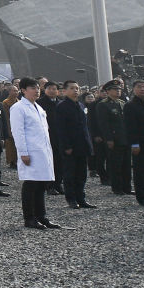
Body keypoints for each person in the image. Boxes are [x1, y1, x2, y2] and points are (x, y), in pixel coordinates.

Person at [11, 77, 60, 230]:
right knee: (31, 184)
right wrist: (23, 152)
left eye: (38, 87)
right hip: (30, 151)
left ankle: (41, 216)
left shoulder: (38, 107)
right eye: (32, 87)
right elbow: (17, 132)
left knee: (41, 184)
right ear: (23, 90)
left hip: (42, 151)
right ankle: (29, 218)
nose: (36, 90)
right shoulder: (19, 108)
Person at [55, 79, 95, 209]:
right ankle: (71, 199)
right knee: (70, 174)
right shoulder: (62, 106)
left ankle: (81, 198)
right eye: (72, 88)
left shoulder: (81, 105)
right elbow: (61, 129)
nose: (75, 90)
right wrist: (66, 146)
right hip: (70, 147)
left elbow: (85, 127)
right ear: (65, 91)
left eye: (77, 88)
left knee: (81, 174)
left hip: (82, 145)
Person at [98, 79, 131, 195]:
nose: (118, 91)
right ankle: (117, 188)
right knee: (115, 165)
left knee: (126, 164)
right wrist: (109, 139)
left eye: (119, 89)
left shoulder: (122, 103)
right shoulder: (103, 105)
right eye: (115, 89)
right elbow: (104, 124)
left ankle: (127, 187)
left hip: (125, 138)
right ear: (108, 91)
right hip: (114, 139)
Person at [37, 81, 64, 194]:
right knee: (49, 162)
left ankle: (58, 183)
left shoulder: (61, 103)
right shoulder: (39, 103)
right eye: (50, 89)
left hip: (60, 136)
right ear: (45, 90)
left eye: (54, 89)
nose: (52, 91)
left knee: (60, 162)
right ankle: (49, 185)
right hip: (47, 136)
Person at [124, 79, 144, 206]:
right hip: (140, 144)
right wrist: (134, 143)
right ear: (134, 89)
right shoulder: (130, 105)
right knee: (141, 171)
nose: (143, 89)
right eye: (139, 87)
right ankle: (142, 196)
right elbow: (130, 127)